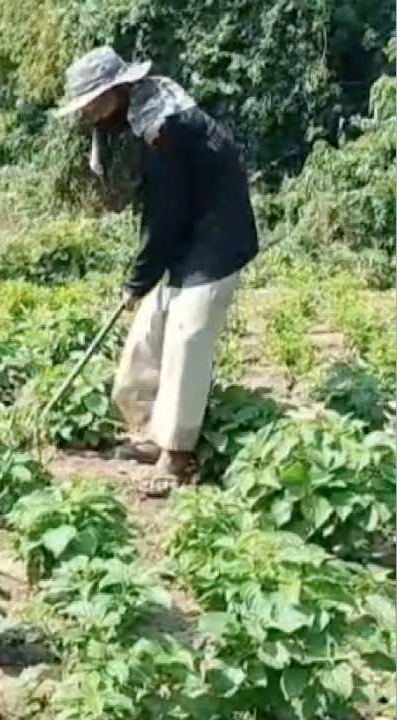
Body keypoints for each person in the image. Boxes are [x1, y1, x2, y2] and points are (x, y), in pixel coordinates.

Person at [54, 47, 258, 496]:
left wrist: (139, 278)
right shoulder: (146, 109)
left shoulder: (165, 127)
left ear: (115, 91)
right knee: (149, 332)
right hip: (188, 233)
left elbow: (164, 212)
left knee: (188, 336)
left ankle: (177, 454)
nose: (88, 114)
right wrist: (145, 279)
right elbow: (160, 209)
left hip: (218, 236)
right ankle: (152, 432)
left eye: (91, 103)